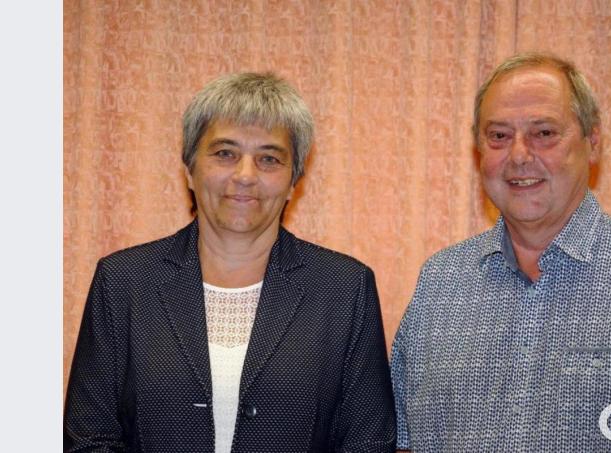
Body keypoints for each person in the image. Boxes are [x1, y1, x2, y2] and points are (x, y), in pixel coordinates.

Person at [390, 52, 611, 452]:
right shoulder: (440, 282)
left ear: (592, 142)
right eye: (499, 135)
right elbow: (404, 440)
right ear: (479, 151)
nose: (519, 155)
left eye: (544, 133)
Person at [64, 72, 396, 452]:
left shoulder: (343, 289)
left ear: (293, 181)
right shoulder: (123, 282)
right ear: (189, 168)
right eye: (225, 153)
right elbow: (89, 439)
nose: (244, 176)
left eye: (269, 159)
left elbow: (367, 442)